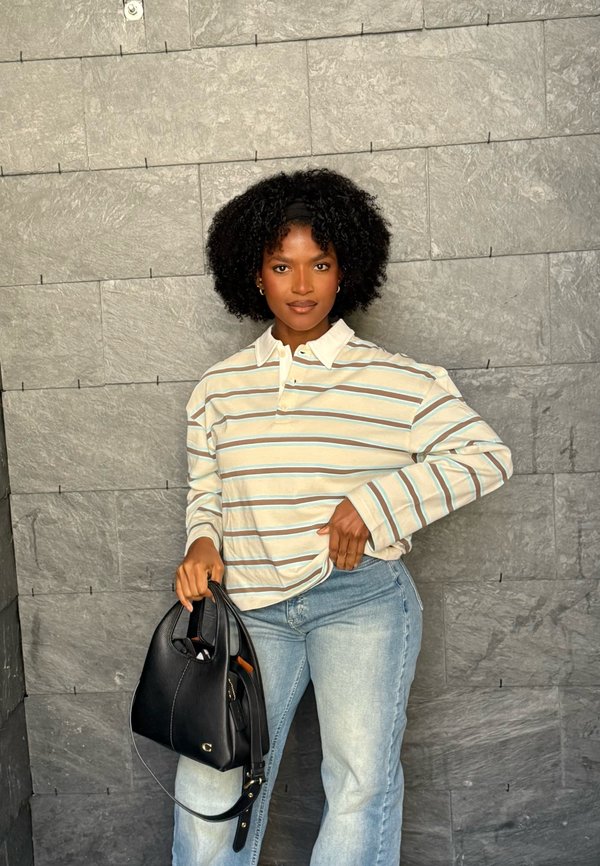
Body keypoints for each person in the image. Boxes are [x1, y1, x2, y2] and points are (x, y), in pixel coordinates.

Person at [172, 167, 513, 866]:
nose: (302, 285)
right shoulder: (219, 389)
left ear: (344, 270)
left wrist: (374, 503)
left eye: (319, 264)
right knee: (212, 787)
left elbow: (487, 456)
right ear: (254, 275)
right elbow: (207, 490)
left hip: (359, 603)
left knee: (358, 786)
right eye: (282, 265)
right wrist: (202, 543)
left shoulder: (401, 379)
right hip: (250, 611)